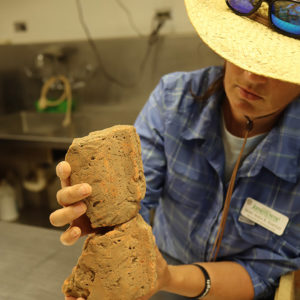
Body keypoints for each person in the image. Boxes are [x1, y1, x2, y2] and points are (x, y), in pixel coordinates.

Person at [49, 0, 300, 299]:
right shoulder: (174, 100)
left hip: (234, 289)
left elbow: (264, 268)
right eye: (245, 54)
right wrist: (98, 214)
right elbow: (133, 203)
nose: (252, 76)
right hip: (159, 268)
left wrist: (170, 277)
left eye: (273, 65)